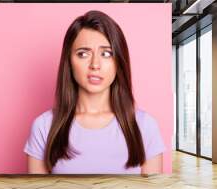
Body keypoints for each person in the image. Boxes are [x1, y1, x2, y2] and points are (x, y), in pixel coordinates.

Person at [23, 10, 165, 174]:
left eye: (106, 54)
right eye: (83, 54)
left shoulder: (145, 126)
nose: (95, 64)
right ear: (69, 61)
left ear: (119, 61)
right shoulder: (44, 126)